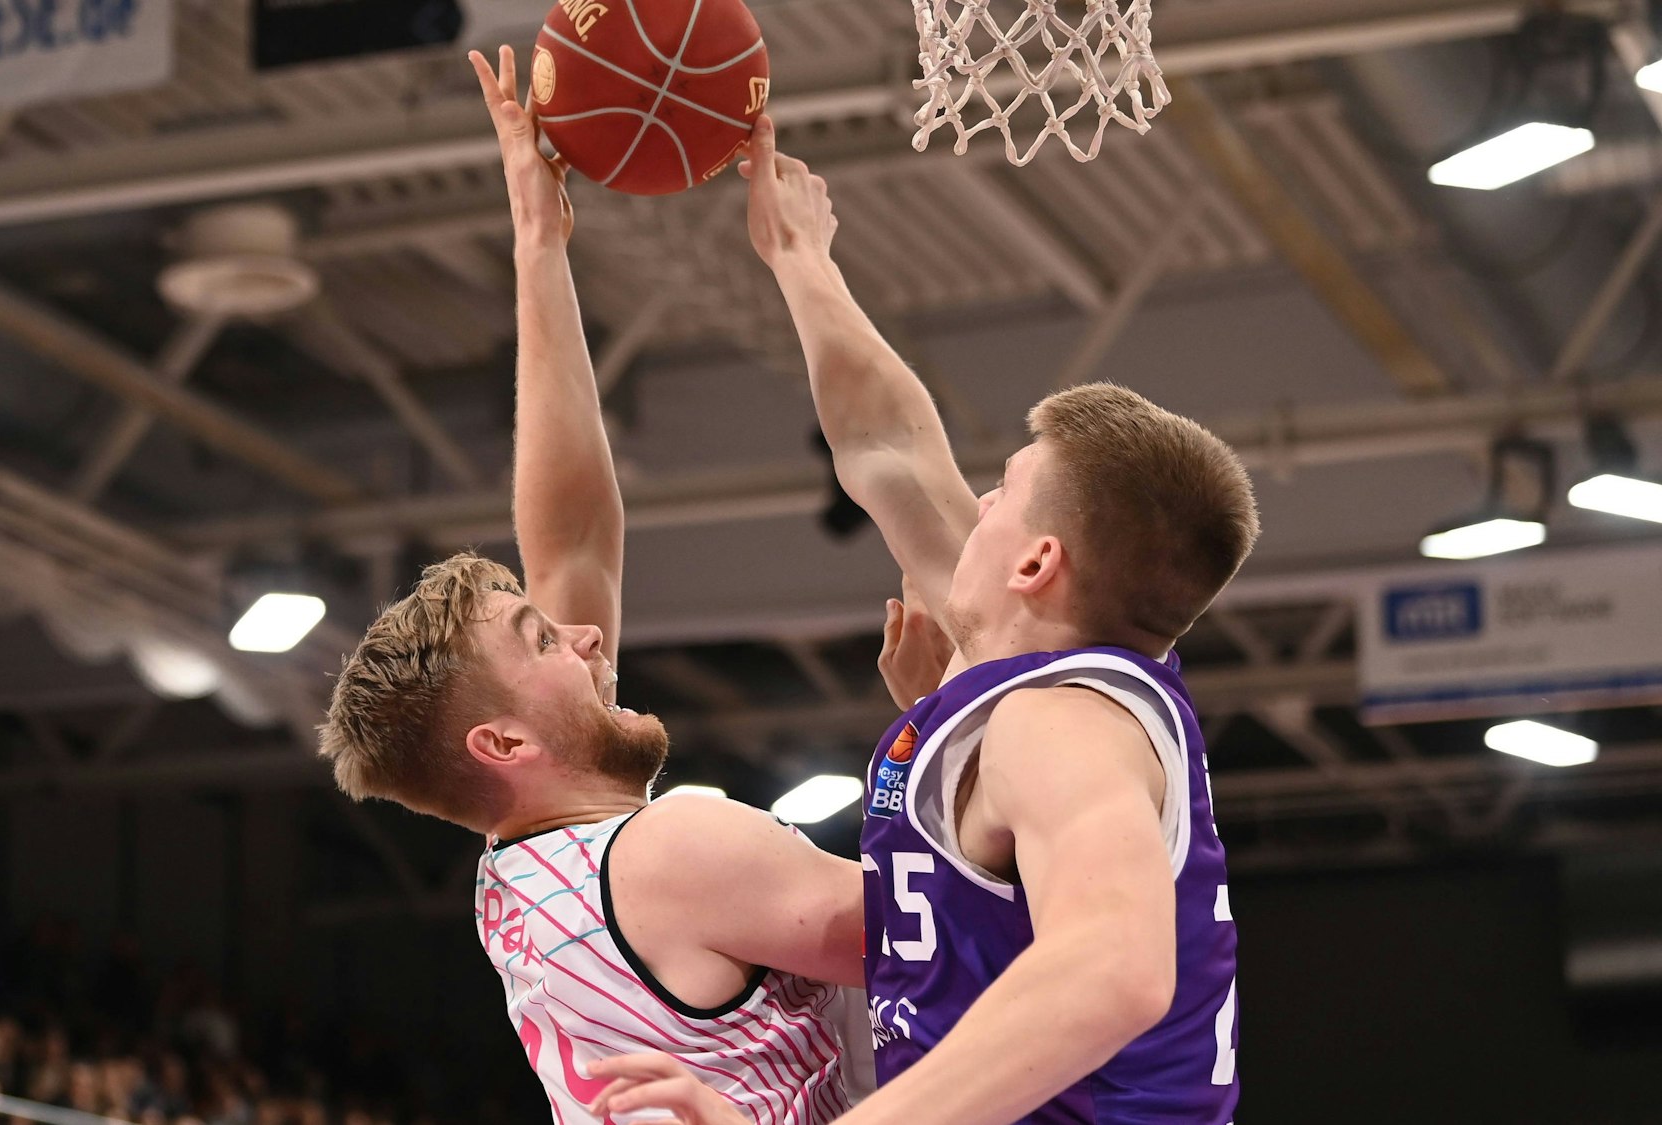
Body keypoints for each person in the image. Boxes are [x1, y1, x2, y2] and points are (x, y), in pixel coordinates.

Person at [593, 117, 1257, 1124]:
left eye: (1002, 491)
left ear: (1038, 563)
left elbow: (1116, 969)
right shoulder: (1027, 680)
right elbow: (890, 452)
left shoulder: (1059, 724)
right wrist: (799, 261)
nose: (977, 506)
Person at [316, 46, 865, 1125]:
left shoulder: (518, 878)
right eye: (541, 642)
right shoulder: (669, 849)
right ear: (503, 746)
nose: (586, 639)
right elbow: (963, 930)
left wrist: (539, 246)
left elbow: (571, 535)